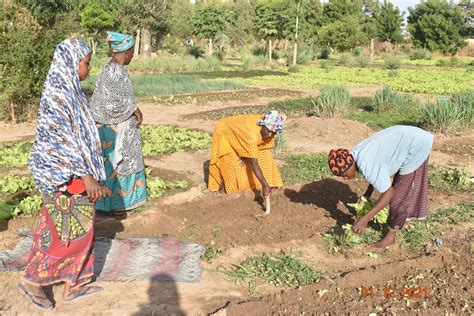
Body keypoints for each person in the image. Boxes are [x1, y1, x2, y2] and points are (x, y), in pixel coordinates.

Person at [19, 39, 106, 311]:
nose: (88, 68)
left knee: (82, 229)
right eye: (86, 62)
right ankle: (33, 281)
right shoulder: (59, 95)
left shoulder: (72, 90)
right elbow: (63, 141)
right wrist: (86, 175)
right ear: (70, 63)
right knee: (62, 232)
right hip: (63, 176)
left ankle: (75, 282)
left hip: (75, 174)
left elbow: (79, 129)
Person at [328, 125, 434, 248]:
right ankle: (391, 231)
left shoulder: (367, 163)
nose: (344, 178)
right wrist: (368, 193)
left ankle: (390, 237)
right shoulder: (356, 154)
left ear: (350, 165)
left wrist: (365, 218)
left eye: (344, 174)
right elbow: (376, 167)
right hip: (410, 138)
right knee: (397, 188)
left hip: (417, 145)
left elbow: (389, 193)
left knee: (399, 197)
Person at [90, 31, 147, 217]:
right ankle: (116, 205)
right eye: (131, 52)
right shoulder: (115, 71)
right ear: (126, 51)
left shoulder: (111, 68)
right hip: (114, 129)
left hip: (112, 128)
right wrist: (133, 108)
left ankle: (112, 205)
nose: (132, 56)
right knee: (118, 164)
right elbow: (111, 104)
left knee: (112, 164)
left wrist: (132, 108)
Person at [208, 110, 287, 198]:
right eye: (268, 131)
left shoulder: (265, 131)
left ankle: (266, 184)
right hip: (224, 131)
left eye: (273, 133)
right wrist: (265, 185)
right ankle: (222, 193)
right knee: (232, 165)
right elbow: (254, 163)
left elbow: (254, 150)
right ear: (262, 125)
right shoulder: (251, 135)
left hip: (241, 133)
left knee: (264, 157)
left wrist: (245, 155)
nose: (270, 135)